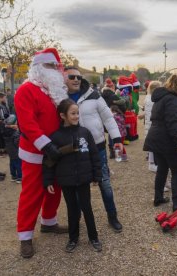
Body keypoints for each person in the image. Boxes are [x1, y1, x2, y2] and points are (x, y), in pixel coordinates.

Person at [14, 48, 69, 258]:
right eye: (50, 66)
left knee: (55, 189)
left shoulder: (54, 90)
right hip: (36, 153)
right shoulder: (26, 90)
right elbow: (27, 124)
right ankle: (25, 236)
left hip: (58, 151)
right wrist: (46, 146)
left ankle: (49, 222)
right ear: (38, 67)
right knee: (32, 194)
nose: (55, 70)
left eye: (56, 66)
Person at [64, 66, 123, 233]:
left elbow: (108, 118)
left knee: (104, 183)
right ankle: (76, 218)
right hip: (73, 149)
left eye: (78, 76)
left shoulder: (94, 95)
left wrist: (116, 138)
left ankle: (112, 216)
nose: (76, 79)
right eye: (72, 76)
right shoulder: (59, 98)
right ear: (64, 78)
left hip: (97, 147)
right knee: (77, 186)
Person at [43, 99, 103, 253]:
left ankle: (93, 237)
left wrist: (97, 175)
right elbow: (49, 161)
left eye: (77, 113)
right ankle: (73, 238)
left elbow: (94, 155)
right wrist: (48, 180)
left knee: (87, 208)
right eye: (73, 113)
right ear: (63, 115)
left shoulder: (85, 132)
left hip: (83, 179)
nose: (76, 116)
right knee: (72, 209)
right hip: (66, 180)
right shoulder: (55, 137)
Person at [143, 74, 177, 211]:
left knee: (162, 169)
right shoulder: (172, 99)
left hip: (156, 138)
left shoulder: (161, 97)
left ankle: (158, 197)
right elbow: (173, 122)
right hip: (167, 140)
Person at [138, 80, 162, 172]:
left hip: (149, 122)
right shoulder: (154, 99)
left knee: (152, 144)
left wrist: (143, 115)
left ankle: (152, 162)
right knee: (155, 145)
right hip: (153, 123)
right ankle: (153, 163)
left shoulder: (148, 97)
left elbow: (148, 111)